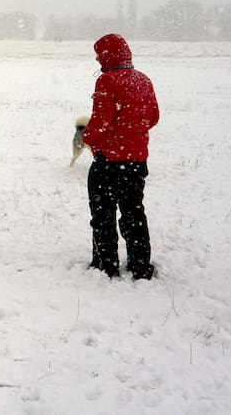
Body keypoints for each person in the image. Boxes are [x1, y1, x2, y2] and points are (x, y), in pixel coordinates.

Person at [83, 33, 159, 280]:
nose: (97, 60)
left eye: (99, 55)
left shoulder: (107, 81)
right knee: (134, 213)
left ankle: (106, 265)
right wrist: (133, 130)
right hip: (136, 162)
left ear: (107, 55)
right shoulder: (143, 80)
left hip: (108, 162)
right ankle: (140, 265)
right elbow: (154, 116)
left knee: (103, 214)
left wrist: (88, 138)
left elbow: (101, 121)